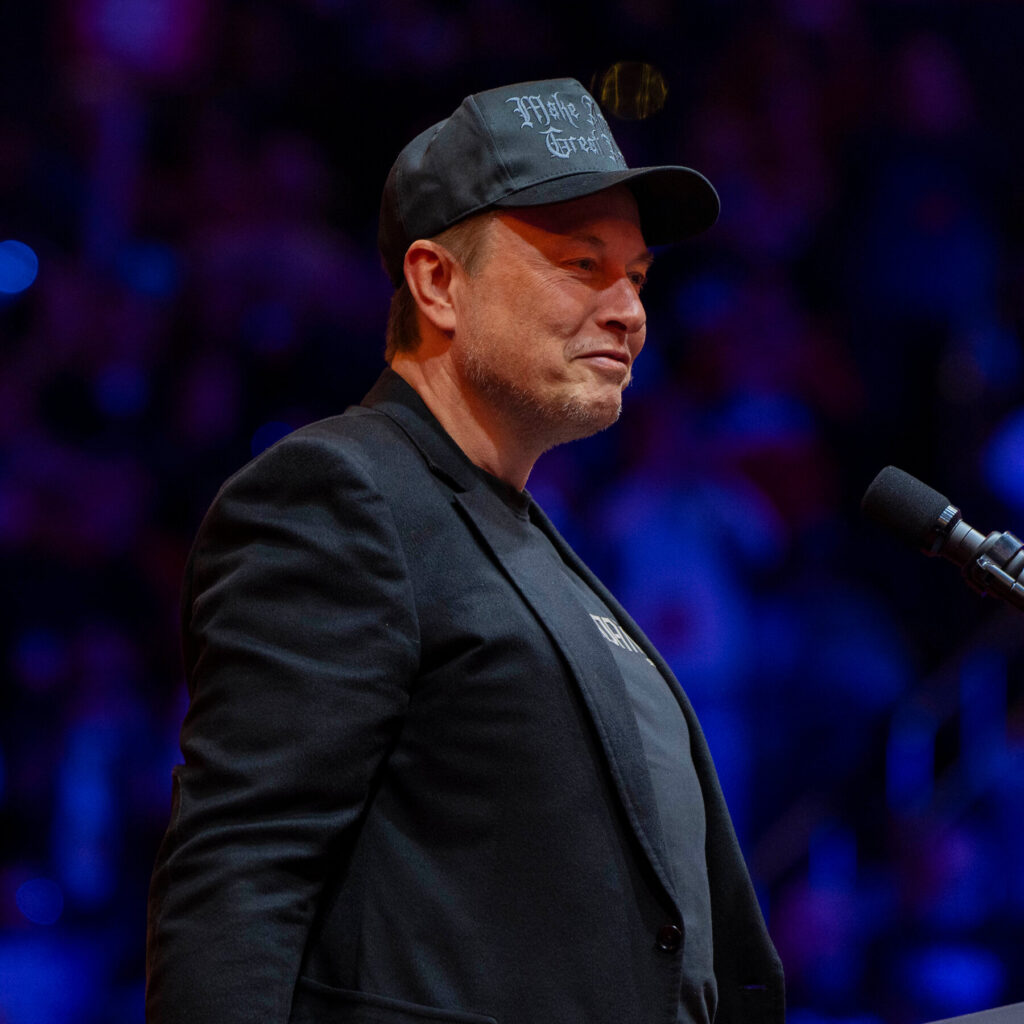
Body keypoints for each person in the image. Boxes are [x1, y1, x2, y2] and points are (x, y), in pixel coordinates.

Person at [146, 77, 785, 1024]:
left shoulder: (528, 538)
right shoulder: (338, 495)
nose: (630, 310)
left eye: (639, 276)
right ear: (438, 283)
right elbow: (242, 873)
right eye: (582, 264)